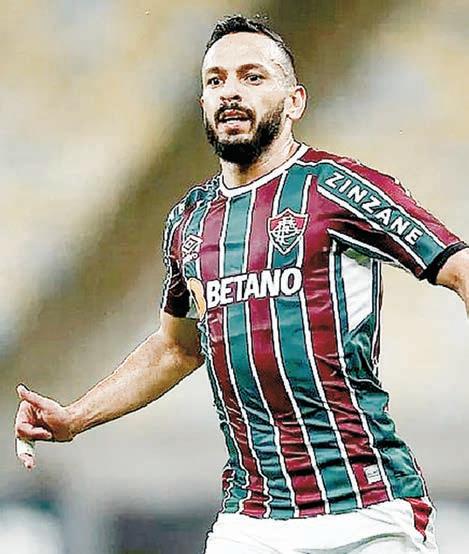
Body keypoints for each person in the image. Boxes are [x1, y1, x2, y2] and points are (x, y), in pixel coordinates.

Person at [15, 15, 468, 554]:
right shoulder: (191, 219)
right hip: (252, 520)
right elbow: (177, 348)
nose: (230, 91)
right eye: (216, 80)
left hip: (367, 512)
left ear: (295, 101)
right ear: (204, 102)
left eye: (252, 76)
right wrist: (75, 417)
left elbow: (459, 267)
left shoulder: (338, 189)